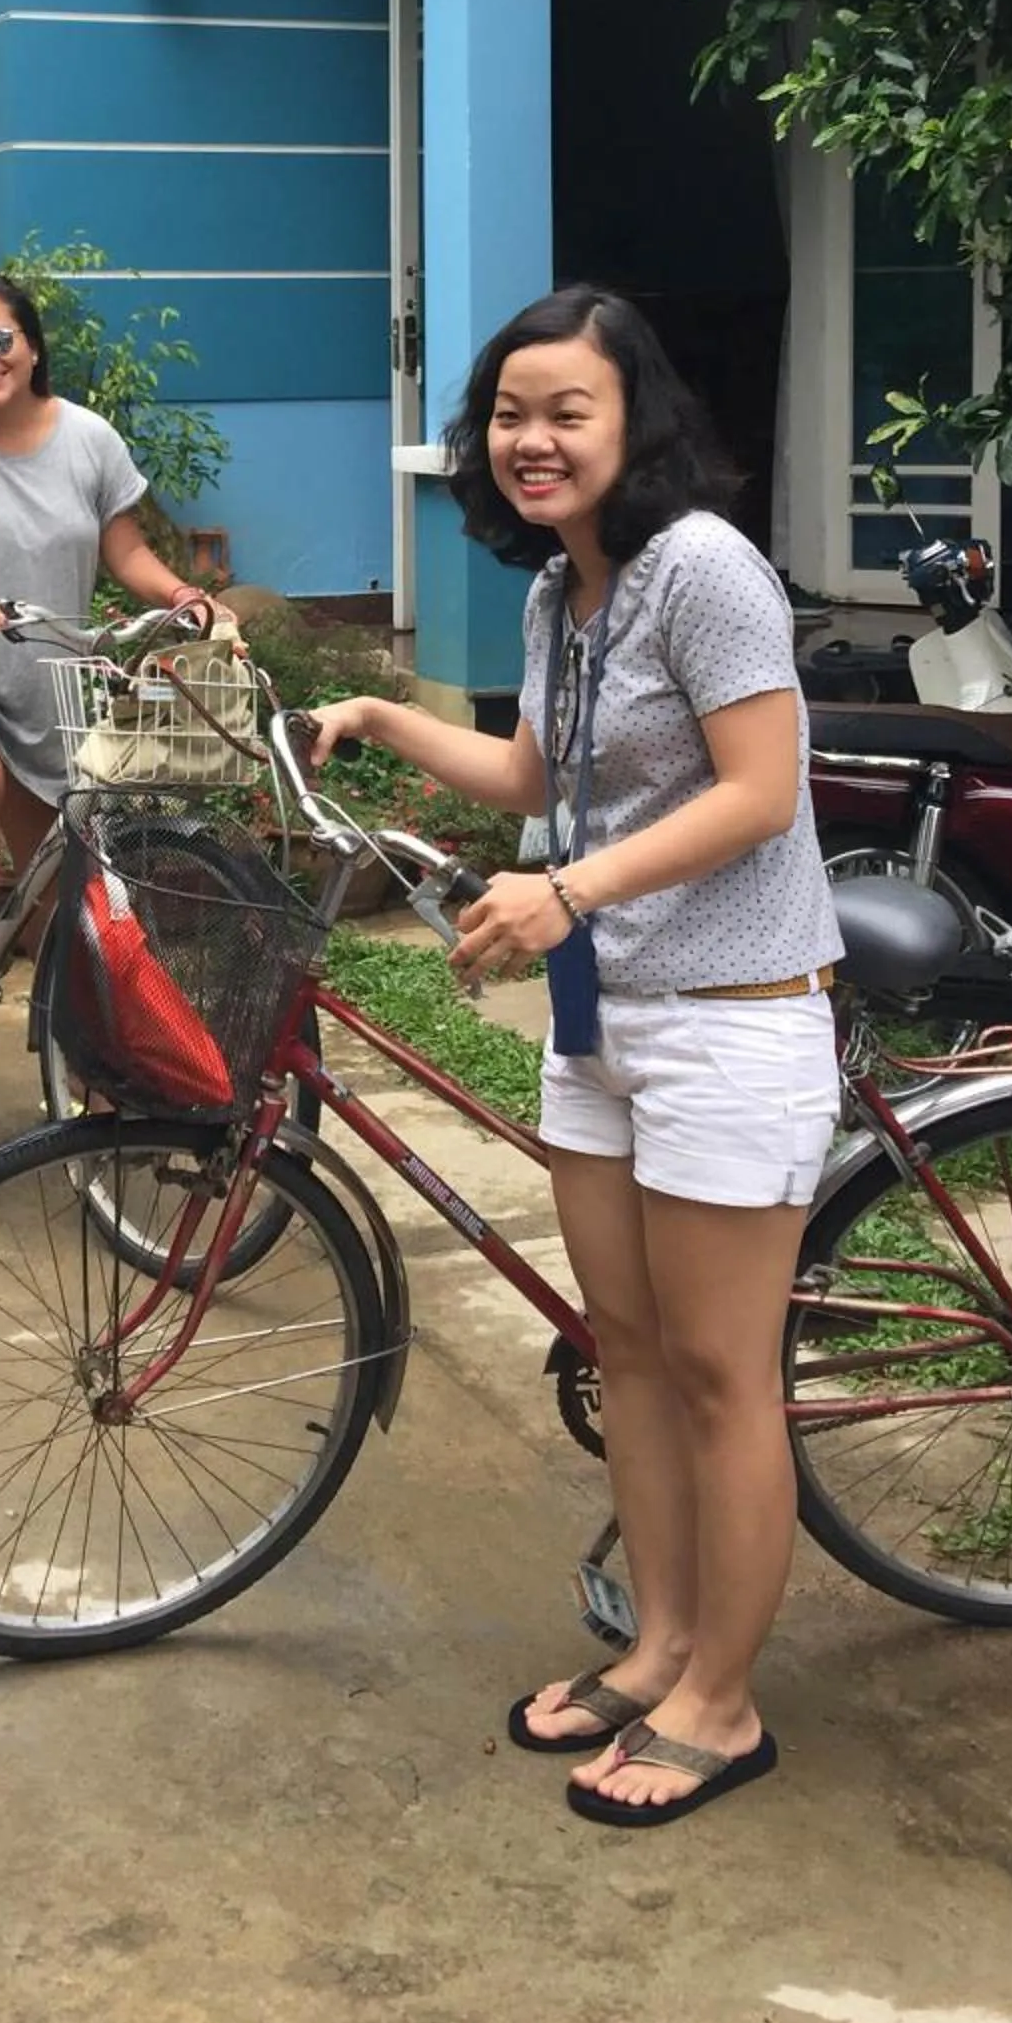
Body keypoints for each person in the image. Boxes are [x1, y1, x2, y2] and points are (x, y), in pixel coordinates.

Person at [309, 283, 840, 1828]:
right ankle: (663, 1645)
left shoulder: (701, 570)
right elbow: (537, 772)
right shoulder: (563, 595)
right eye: (509, 414)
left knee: (723, 1374)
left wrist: (569, 890)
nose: (529, 440)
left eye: (566, 412)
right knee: (627, 1354)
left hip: (731, 1016)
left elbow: (759, 788)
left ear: (634, 422)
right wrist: (379, 713)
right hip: (603, 1017)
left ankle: (722, 1706)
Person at [0, 268, 225, 1069]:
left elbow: (125, 550)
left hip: (40, 673)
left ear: (31, 347)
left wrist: (180, 597)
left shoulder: (89, 439)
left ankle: (103, 1085)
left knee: (62, 909)